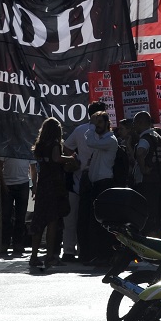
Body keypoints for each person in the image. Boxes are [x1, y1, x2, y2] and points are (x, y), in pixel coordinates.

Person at [63, 101, 107, 261]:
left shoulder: (80, 130)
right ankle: (85, 250)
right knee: (89, 217)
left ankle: (69, 250)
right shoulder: (105, 132)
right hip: (96, 180)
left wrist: (75, 159)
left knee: (73, 217)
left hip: (79, 178)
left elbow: (66, 146)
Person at [31, 118, 75, 269]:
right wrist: (71, 158)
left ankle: (34, 255)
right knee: (52, 221)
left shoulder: (40, 145)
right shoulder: (55, 144)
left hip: (43, 184)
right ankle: (50, 256)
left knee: (38, 221)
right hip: (54, 185)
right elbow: (56, 158)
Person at [82, 110, 119, 264]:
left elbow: (89, 141)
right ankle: (99, 253)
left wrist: (91, 125)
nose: (97, 125)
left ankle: (106, 254)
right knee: (95, 221)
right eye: (96, 122)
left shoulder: (110, 139)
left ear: (106, 124)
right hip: (96, 183)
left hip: (104, 183)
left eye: (100, 122)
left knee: (103, 220)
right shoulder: (101, 139)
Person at [132, 111, 161, 234]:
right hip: (158, 181)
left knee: (146, 215)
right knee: (156, 215)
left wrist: (143, 169)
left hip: (146, 183)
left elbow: (140, 152)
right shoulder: (158, 138)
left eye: (135, 123)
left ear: (140, 123)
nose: (134, 126)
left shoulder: (145, 139)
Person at [0, 156, 36, 257]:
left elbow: (33, 168)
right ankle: (5, 243)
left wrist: (34, 185)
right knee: (6, 216)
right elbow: (0, 166)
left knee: (21, 216)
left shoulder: (26, 149)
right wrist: (2, 184)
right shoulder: (6, 148)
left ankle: (18, 243)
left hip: (23, 183)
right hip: (8, 183)